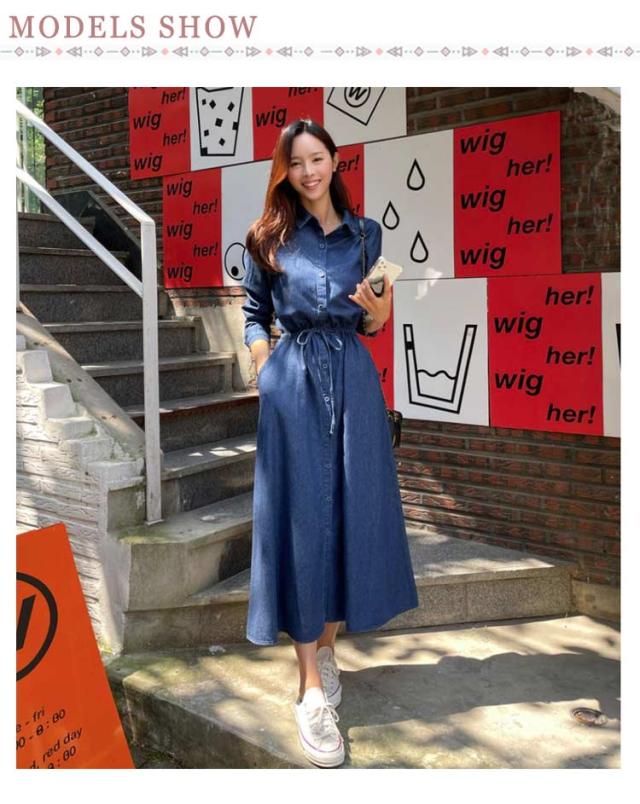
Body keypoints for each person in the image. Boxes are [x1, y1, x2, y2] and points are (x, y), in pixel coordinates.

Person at [241, 118, 419, 768]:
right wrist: (266, 369)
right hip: (292, 385)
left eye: (317, 158)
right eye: (296, 163)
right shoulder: (266, 238)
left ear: (336, 161)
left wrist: (379, 309)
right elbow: (253, 315)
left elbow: (374, 323)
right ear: (284, 171)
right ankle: (310, 689)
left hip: (352, 382)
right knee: (301, 525)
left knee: (347, 514)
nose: (308, 171)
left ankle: (326, 645)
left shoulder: (367, 235)